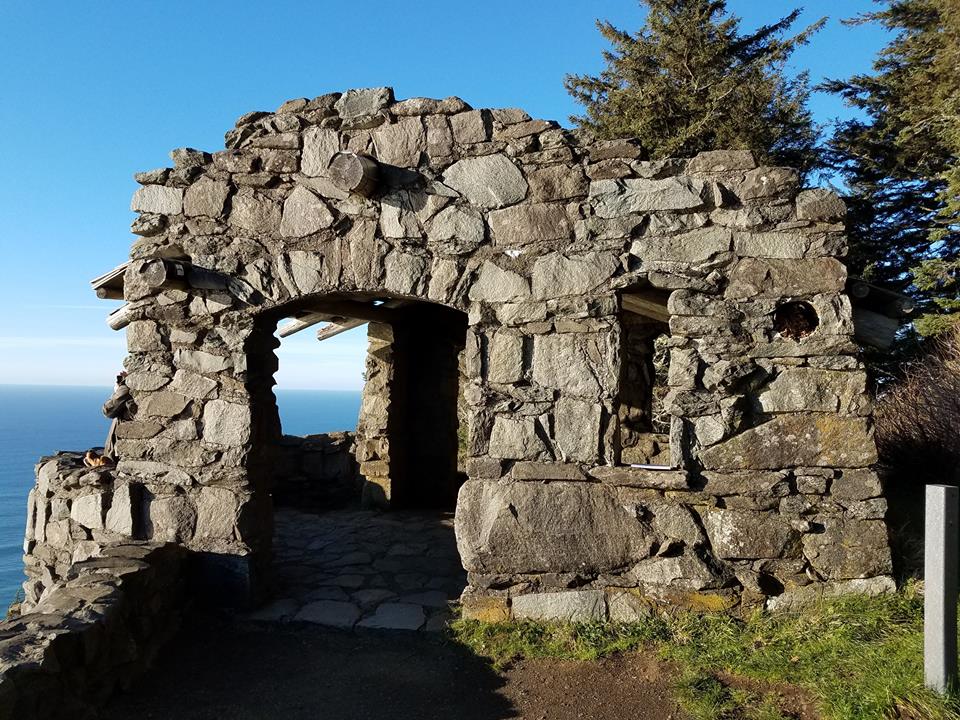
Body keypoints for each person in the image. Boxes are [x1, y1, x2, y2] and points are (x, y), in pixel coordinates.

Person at [84, 371, 134, 468]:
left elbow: (108, 410)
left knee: (119, 417)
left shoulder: (131, 386)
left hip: (125, 445)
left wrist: (120, 388)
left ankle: (107, 462)